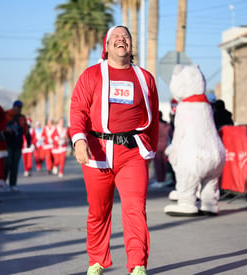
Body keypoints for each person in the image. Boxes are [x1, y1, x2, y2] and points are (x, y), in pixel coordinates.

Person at [70, 25, 159, 275]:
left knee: (135, 208)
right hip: (97, 152)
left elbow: (152, 117)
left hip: (132, 153)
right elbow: (78, 109)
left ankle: (137, 265)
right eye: (116, 37)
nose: (122, 39)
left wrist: (150, 151)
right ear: (107, 47)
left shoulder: (145, 78)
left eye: (126, 37)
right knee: (98, 210)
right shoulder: (91, 75)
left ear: (130, 46)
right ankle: (97, 261)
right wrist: (79, 140)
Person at [4, 100, 30, 191]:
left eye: (20, 107)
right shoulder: (6, 115)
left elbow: (26, 131)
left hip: (18, 145)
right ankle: (3, 182)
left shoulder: (22, 118)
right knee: (7, 163)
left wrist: (28, 141)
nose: (18, 109)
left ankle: (13, 184)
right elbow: (0, 126)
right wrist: (6, 129)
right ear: (13, 106)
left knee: (15, 165)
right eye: (17, 107)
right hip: (7, 144)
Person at [150, 111, 173, 188]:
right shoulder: (166, 125)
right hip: (165, 146)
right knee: (164, 164)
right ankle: (163, 179)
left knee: (158, 164)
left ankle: (160, 180)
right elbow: (171, 135)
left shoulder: (155, 125)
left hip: (156, 146)